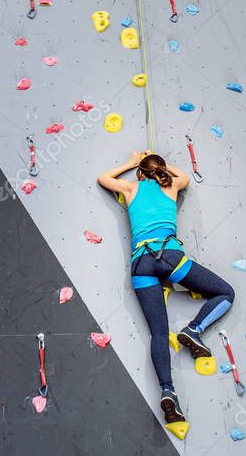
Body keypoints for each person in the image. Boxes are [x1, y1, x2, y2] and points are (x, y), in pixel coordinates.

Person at [97, 151, 235, 423]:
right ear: (160, 170)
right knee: (225, 293)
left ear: (140, 173)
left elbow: (103, 178)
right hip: (170, 257)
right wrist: (160, 164)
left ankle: (167, 390)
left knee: (158, 334)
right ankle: (193, 330)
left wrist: (132, 163)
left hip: (141, 264)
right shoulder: (171, 185)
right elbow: (183, 177)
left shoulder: (130, 187)